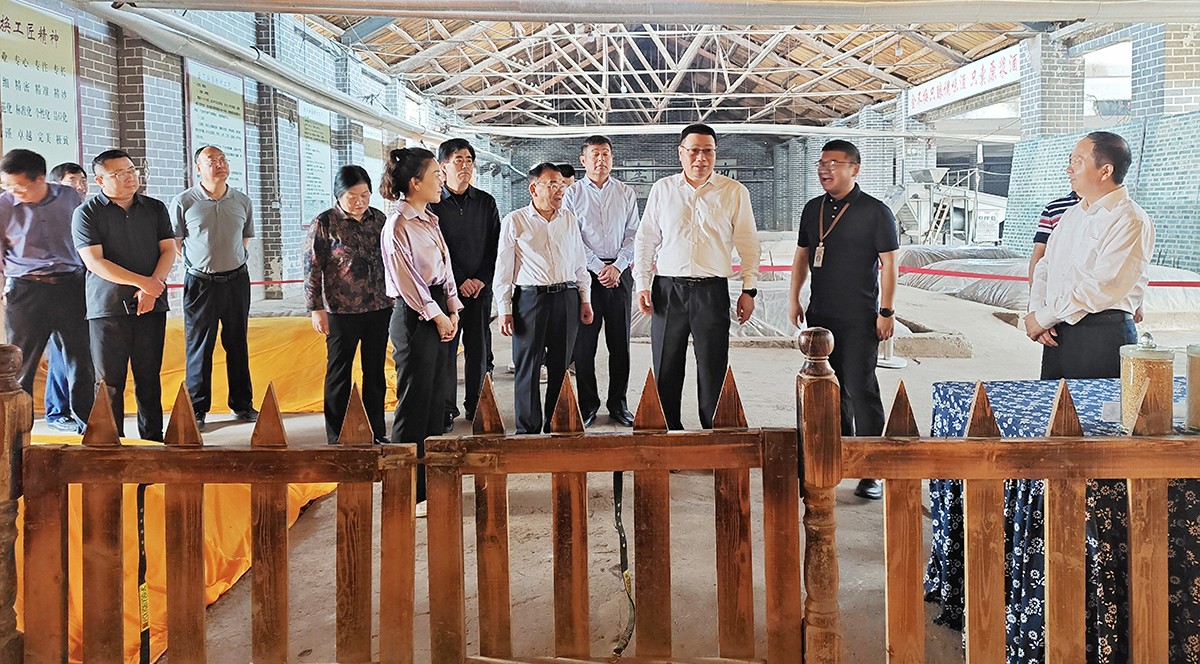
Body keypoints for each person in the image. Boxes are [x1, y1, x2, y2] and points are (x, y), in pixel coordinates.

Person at [788, 140, 899, 501]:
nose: (825, 169)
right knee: (828, 390)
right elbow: (802, 255)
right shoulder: (813, 209)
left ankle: (871, 468)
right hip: (821, 314)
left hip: (860, 316)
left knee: (860, 386)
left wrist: (886, 311)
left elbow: (890, 265)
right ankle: (835, 456)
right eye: (821, 163)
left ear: (854, 169)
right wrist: (794, 297)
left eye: (833, 163)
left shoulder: (876, 212)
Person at [633, 123, 760, 431]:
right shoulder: (663, 189)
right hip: (668, 291)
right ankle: (668, 433)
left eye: (708, 151)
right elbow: (646, 239)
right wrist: (642, 284)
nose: (701, 158)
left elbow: (748, 243)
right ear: (681, 153)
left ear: (715, 153)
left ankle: (714, 433)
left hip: (711, 292)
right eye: (694, 151)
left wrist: (749, 289)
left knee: (713, 366)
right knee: (666, 365)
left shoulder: (733, 192)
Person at [1026, 131, 1154, 380]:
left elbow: (1102, 286)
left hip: (1101, 336)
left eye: (1078, 161)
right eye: (1071, 161)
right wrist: (1038, 312)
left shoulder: (1130, 220)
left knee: (1096, 406)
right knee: (1057, 404)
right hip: (1057, 331)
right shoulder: (1072, 214)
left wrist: (1043, 317)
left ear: (1105, 171)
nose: (1069, 169)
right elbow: (1046, 265)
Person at [381, 147, 462, 518]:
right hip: (414, 315)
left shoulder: (430, 219)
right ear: (415, 183)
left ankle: (431, 485)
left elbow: (445, 267)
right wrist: (436, 315)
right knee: (413, 404)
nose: (441, 181)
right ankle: (407, 491)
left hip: (437, 307)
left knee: (434, 403)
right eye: (435, 175)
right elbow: (407, 280)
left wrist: (452, 308)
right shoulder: (397, 225)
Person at [73, 149, 176, 440]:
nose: (130, 178)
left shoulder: (155, 208)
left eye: (132, 170)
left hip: (151, 305)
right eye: (119, 174)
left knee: (149, 378)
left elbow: (168, 250)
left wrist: (153, 287)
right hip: (107, 308)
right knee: (109, 383)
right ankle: (110, 445)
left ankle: (153, 441)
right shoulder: (87, 213)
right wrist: (145, 283)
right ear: (100, 180)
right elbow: (95, 262)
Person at [494, 162, 592, 435]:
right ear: (533, 189)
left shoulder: (568, 219)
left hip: (566, 298)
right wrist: (504, 308)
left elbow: (579, 263)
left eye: (561, 184)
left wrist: (585, 298)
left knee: (561, 367)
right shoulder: (515, 220)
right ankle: (528, 430)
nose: (560, 190)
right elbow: (503, 269)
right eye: (552, 184)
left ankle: (556, 425)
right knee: (528, 367)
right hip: (530, 300)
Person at [0, 149, 94, 434]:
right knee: (21, 365)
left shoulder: (69, 197)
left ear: (40, 179)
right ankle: (18, 433)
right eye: (7, 186)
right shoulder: (3, 205)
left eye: (19, 186)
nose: (13, 192)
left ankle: (89, 428)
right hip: (25, 290)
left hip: (70, 286)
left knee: (80, 359)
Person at [170, 146, 257, 432]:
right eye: (212, 161)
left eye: (223, 160)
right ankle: (196, 409)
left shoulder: (242, 201)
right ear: (198, 168)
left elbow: (244, 238)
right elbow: (175, 242)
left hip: (236, 281)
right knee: (199, 346)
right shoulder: (184, 201)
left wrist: (232, 260)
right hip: (200, 284)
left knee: (237, 343)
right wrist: (197, 264)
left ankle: (242, 405)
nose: (220, 165)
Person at [303, 165, 392, 444]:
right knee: (339, 372)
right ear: (339, 195)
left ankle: (376, 430)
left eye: (365, 195)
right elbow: (312, 267)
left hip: (378, 307)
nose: (360, 202)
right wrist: (316, 308)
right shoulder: (325, 223)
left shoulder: (379, 219)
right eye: (352, 196)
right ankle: (337, 434)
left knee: (375, 372)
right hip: (340, 311)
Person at [563, 135, 639, 427]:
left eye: (605, 153)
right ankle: (587, 405)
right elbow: (571, 236)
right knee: (585, 346)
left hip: (620, 275)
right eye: (594, 154)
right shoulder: (572, 194)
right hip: (586, 276)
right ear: (583, 160)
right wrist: (597, 268)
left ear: (612, 158)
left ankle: (619, 404)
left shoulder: (625, 192)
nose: (600, 159)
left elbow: (634, 234)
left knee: (620, 344)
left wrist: (617, 267)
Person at [428, 138, 500, 431]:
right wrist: (458, 280)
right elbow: (435, 250)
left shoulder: (485, 202)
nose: (465, 166)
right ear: (443, 167)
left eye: (469, 160)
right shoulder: (433, 204)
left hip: (480, 290)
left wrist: (480, 279)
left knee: (478, 348)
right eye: (458, 160)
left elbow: (495, 246)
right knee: (447, 349)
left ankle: (477, 404)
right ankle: (446, 408)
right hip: (447, 292)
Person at [42, 161, 91, 431]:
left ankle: (79, 412)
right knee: (62, 354)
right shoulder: (50, 215)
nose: (80, 186)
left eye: (83, 180)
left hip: (84, 292)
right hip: (56, 293)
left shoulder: (87, 212)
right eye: (73, 181)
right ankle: (57, 412)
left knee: (78, 354)